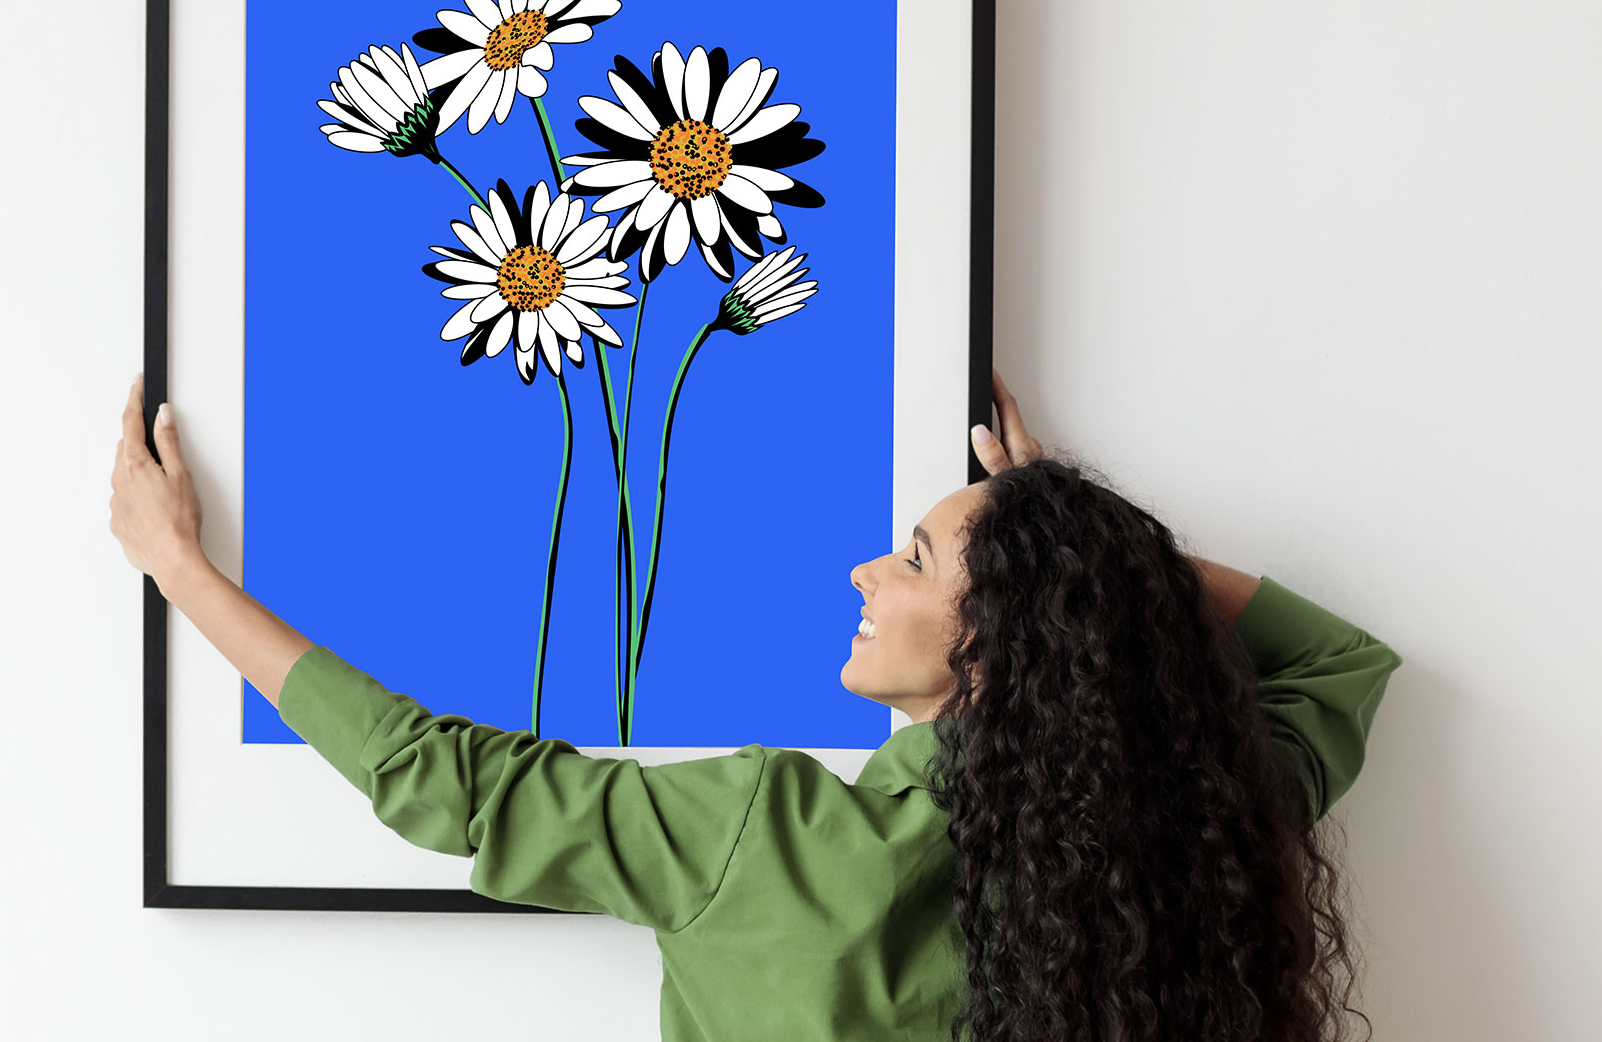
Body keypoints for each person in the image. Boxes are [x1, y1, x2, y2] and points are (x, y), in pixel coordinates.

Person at [108, 369, 1402, 1042]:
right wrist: (1085, 554)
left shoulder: (760, 837)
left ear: (1002, 639)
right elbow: (1340, 663)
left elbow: (445, 781)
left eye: (911, 558)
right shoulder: (1189, 825)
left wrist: (183, 572)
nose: (865, 570)